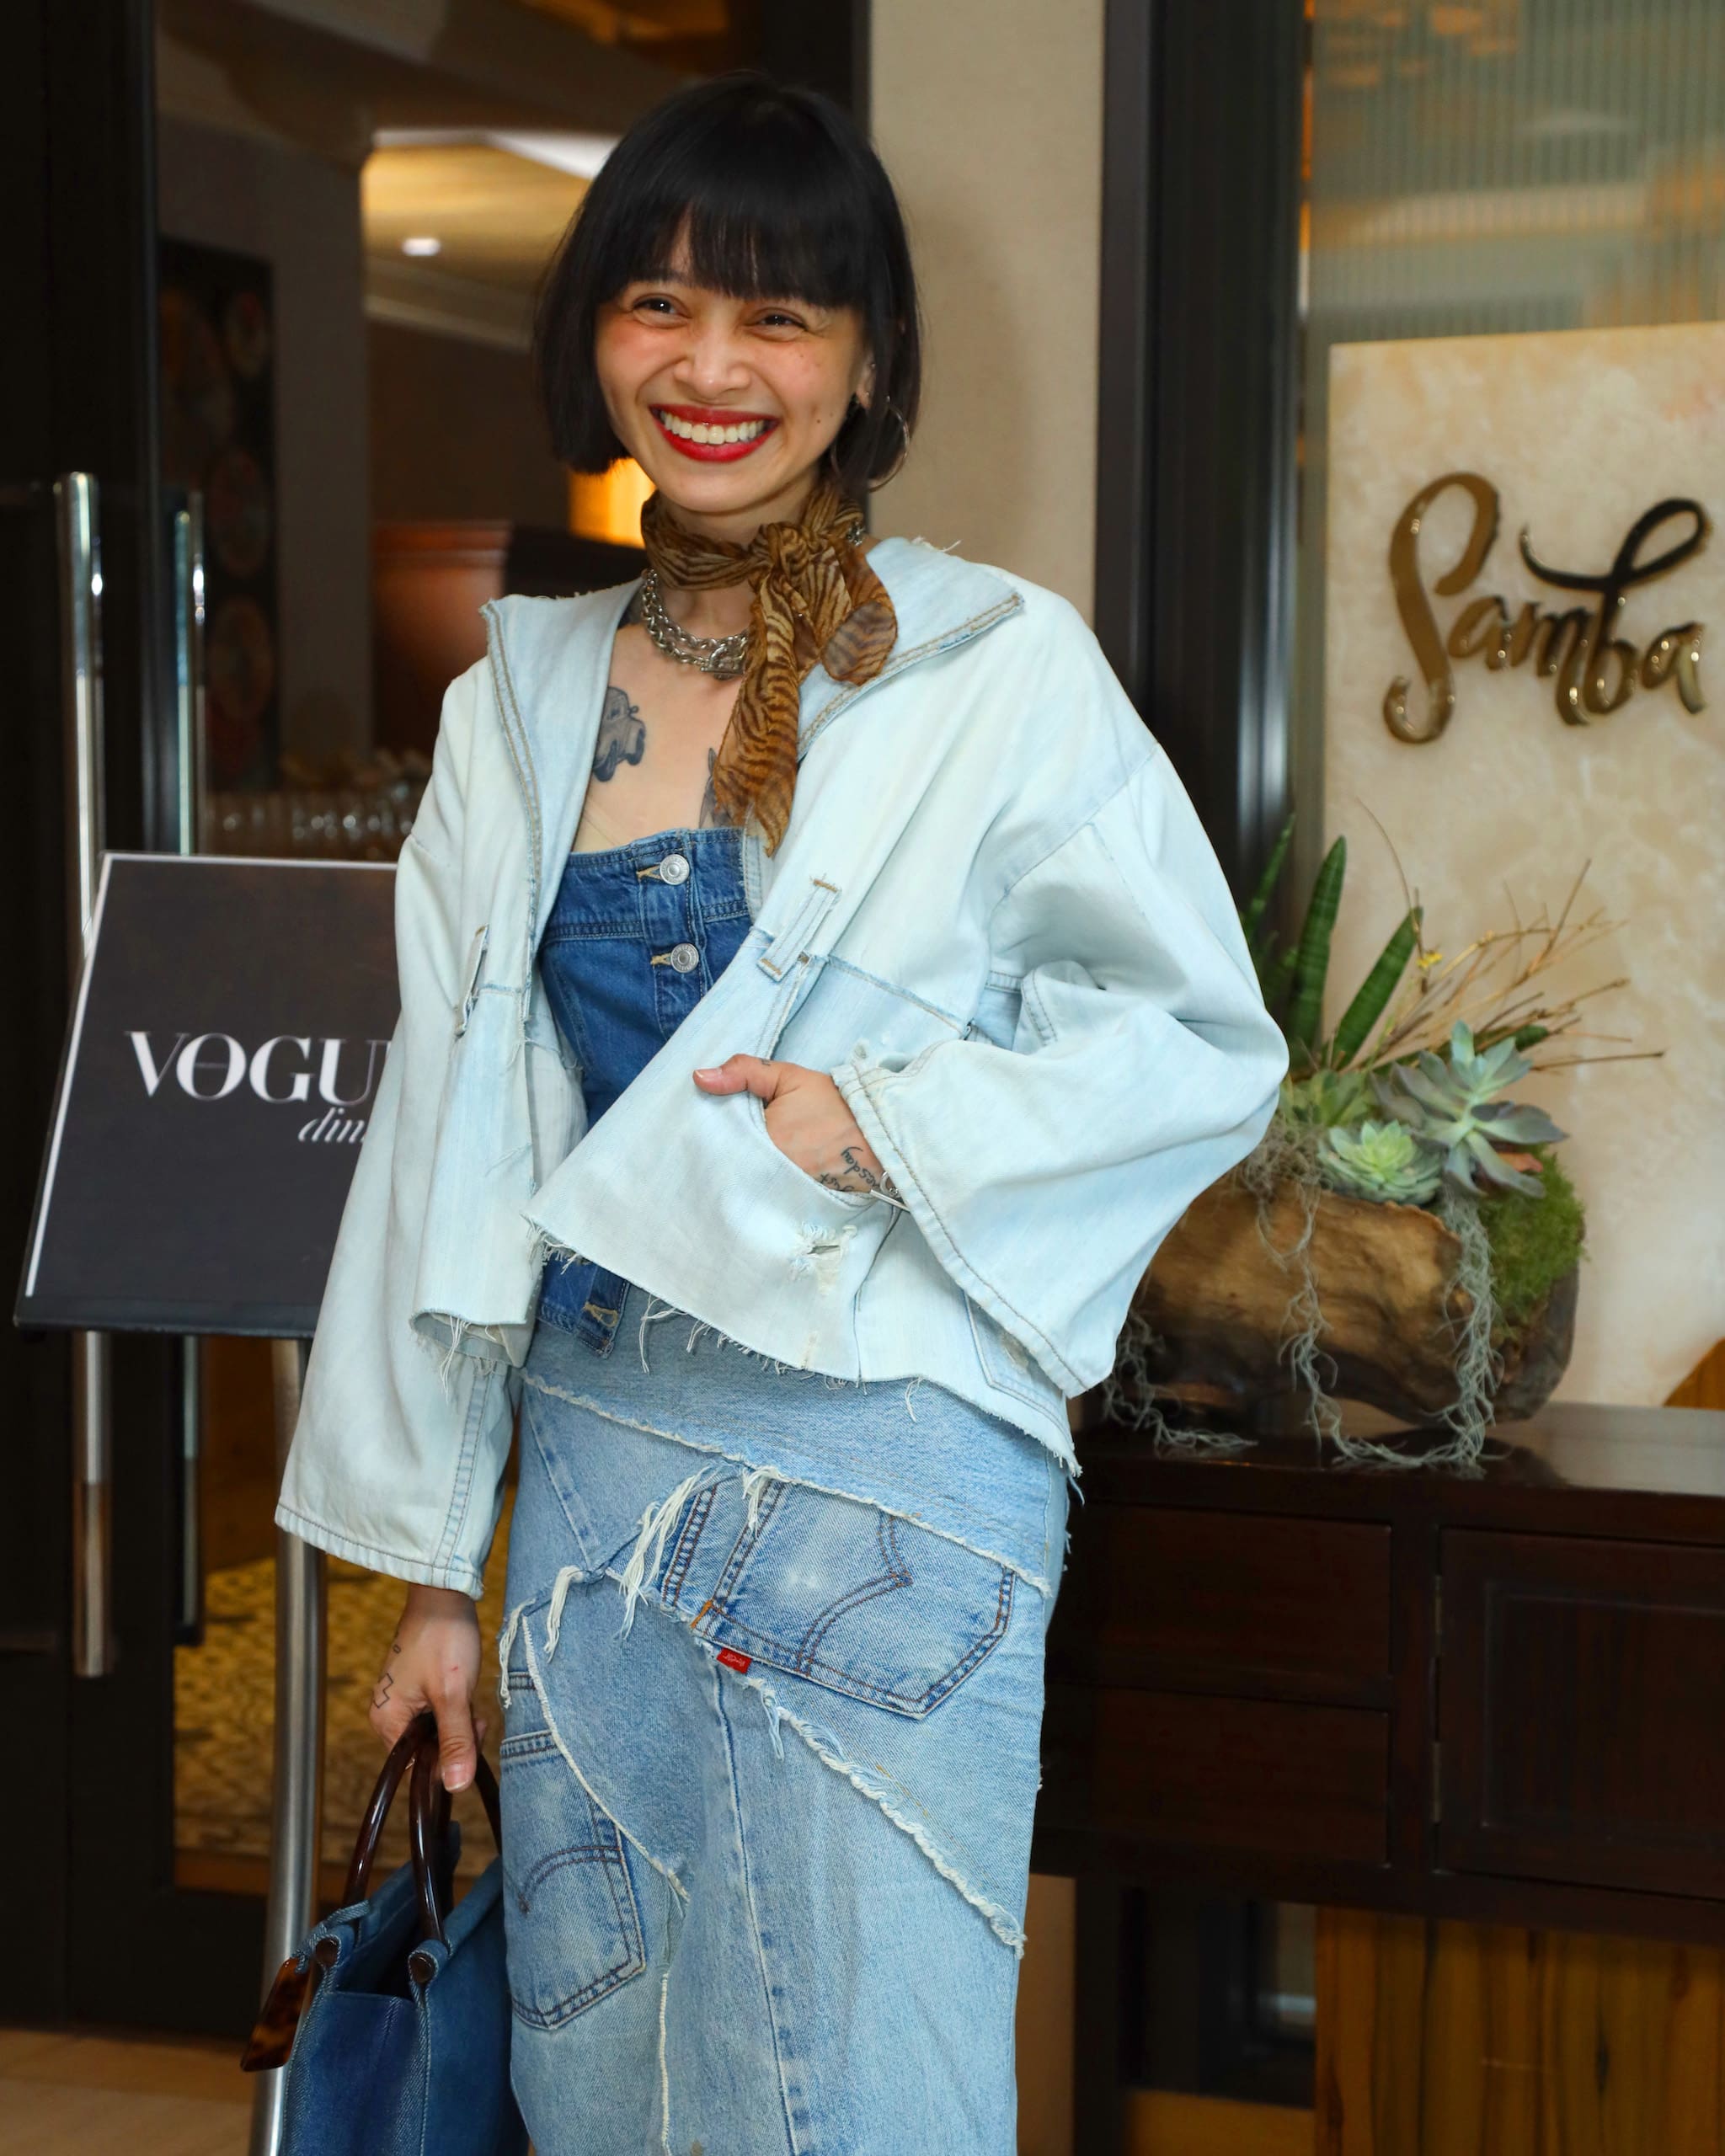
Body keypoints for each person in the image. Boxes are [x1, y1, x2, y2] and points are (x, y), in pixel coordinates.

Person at [278, 69, 1286, 2156]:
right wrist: (433, 1577)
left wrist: (891, 1119)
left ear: (868, 358)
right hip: (593, 1479)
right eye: (658, 304)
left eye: (778, 315)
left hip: (885, 1466)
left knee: (860, 2095)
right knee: (603, 2077)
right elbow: (445, 1145)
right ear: (593, 336)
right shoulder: (514, 700)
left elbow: (1194, 1036)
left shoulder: (998, 668)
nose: (711, 368)